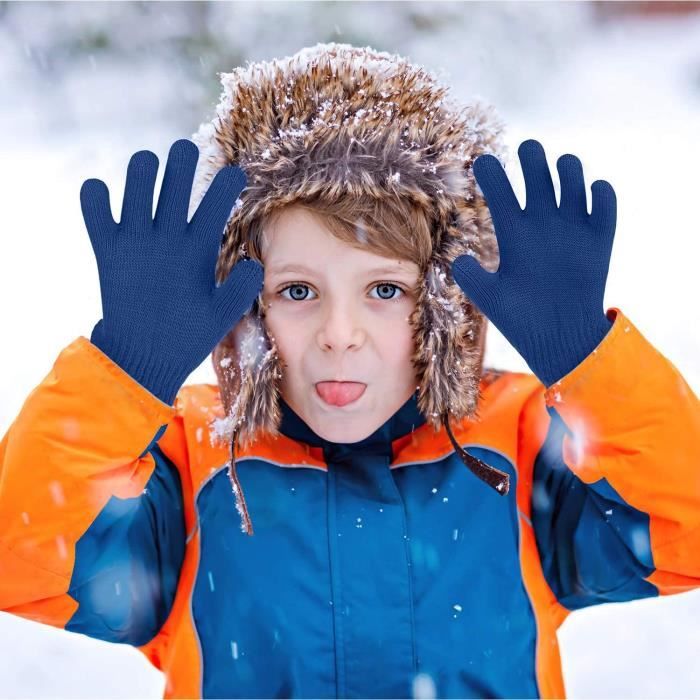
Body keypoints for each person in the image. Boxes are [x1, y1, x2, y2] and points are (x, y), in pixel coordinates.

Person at [1, 42, 698, 699]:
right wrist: (123, 373)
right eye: (298, 292)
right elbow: (22, 557)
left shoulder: (518, 445)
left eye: (385, 291)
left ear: (444, 303)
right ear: (245, 308)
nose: (340, 336)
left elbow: (684, 529)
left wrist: (587, 359)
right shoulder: (196, 460)